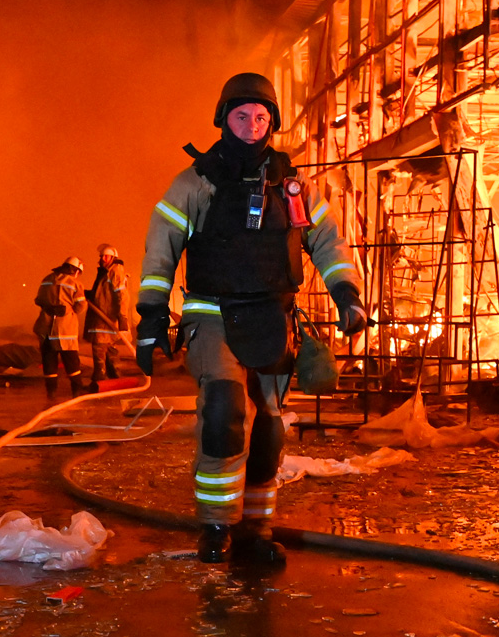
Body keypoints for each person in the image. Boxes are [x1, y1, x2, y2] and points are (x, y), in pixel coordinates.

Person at [135, 72, 368, 565]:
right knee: (224, 412)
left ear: (273, 123)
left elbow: (326, 241)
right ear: (224, 118)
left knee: (269, 428)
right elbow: (162, 248)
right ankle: (217, 525)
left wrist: (347, 292)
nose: (252, 125)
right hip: (212, 315)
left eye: (262, 117)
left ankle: (256, 530)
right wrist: (151, 313)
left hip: (273, 317)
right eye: (242, 115)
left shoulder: (292, 186)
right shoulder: (195, 182)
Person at [35, 255, 89, 399]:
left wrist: (50, 307)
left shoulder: (47, 279)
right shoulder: (75, 284)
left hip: (45, 328)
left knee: (49, 362)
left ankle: (51, 393)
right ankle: (77, 391)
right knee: (72, 362)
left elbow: (38, 300)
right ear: (75, 270)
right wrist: (70, 311)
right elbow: (81, 305)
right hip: (64, 330)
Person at [85, 243, 131, 383]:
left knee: (99, 350)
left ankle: (99, 381)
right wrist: (90, 294)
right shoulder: (105, 272)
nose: (103, 259)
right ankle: (116, 380)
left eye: (106, 256)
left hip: (106, 320)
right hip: (102, 319)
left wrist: (122, 317)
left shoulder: (115, 271)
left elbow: (122, 295)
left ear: (113, 258)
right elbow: (104, 294)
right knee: (111, 351)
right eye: (102, 256)